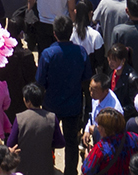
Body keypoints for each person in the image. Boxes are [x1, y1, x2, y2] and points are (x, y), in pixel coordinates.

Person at [36, 16, 90, 175]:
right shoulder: (81, 52)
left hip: (50, 105)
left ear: (54, 33)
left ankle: (48, 168)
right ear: (71, 32)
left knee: (48, 141)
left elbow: (40, 82)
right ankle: (70, 172)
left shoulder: (47, 54)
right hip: (73, 106)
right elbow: (86, 80)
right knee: (72, 142)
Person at [8, 83, 67, 175]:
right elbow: (61, 143)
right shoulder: (51, 117)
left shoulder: (20, 118)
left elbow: (10, 144)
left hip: (23, 168)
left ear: (29, 102)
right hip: (45, 168)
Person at [80, 107, 138, 175]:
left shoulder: (101, 148)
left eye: (99, 125)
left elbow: (87, 171)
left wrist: (87, 158)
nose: (97, 127)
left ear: (106, 128)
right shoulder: (134, 138)